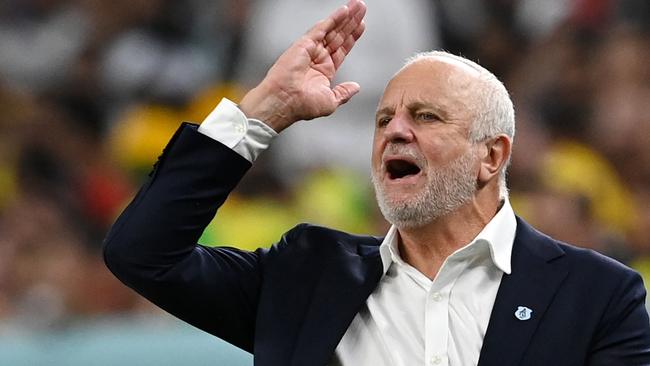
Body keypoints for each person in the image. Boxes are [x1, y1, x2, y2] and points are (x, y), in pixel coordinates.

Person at [103, 1, 650, 365]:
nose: (395, 132)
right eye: (383, 120)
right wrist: (263, 111)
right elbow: (143, 254)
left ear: (492, 156)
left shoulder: (597, 295)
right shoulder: (307, 275)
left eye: (427, 117)